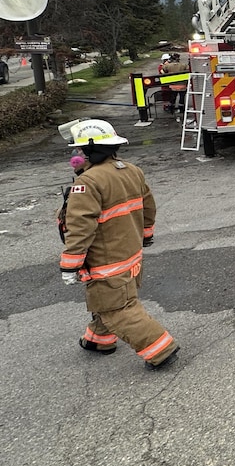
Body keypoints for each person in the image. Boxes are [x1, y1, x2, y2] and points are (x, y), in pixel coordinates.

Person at [57, 118, 179, 369]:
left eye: (79, 150)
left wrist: (70, 264)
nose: (76, 155)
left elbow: (81, 226)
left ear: (91, 151)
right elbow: (148, 207)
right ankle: (98, 340)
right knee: (111, 302)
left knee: (117, 309)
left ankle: (161, 349)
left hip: (106, 261)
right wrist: (146, 236)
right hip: (131, 255)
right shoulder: (132, 170)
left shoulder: (87, 183)